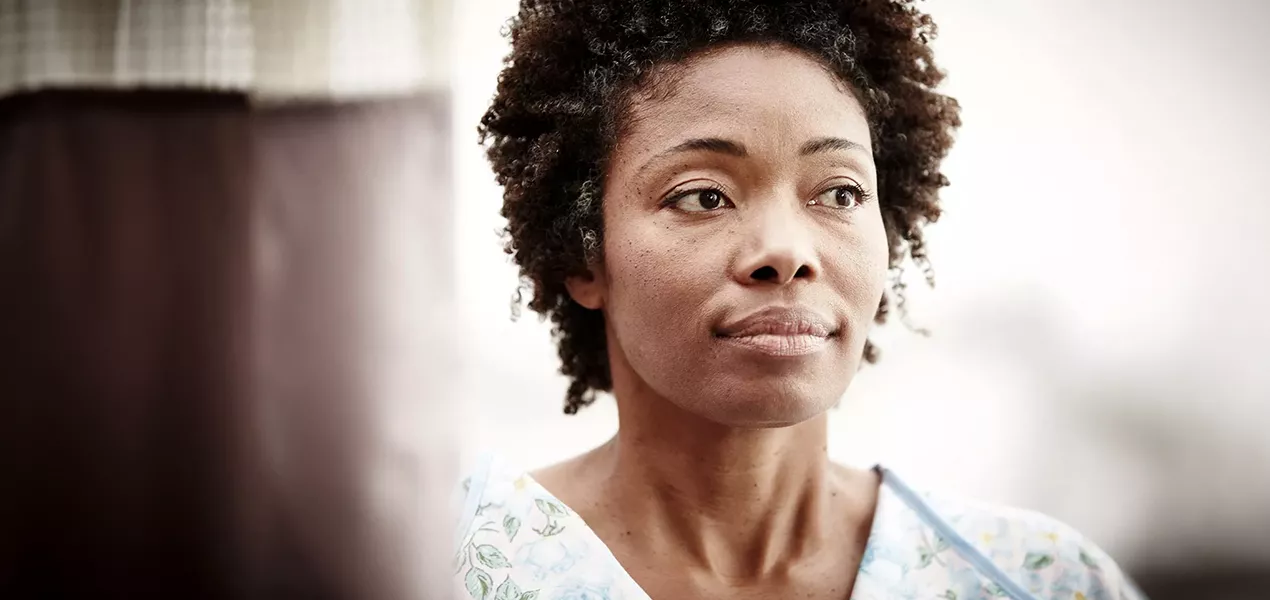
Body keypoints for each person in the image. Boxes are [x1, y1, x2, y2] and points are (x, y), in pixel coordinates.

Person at [454, 1, 1145, 598]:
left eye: (840, 192)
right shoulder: (435, 566)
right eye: (703, 196)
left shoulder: (1039, 579)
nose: (786, 251)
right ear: (584, 256)